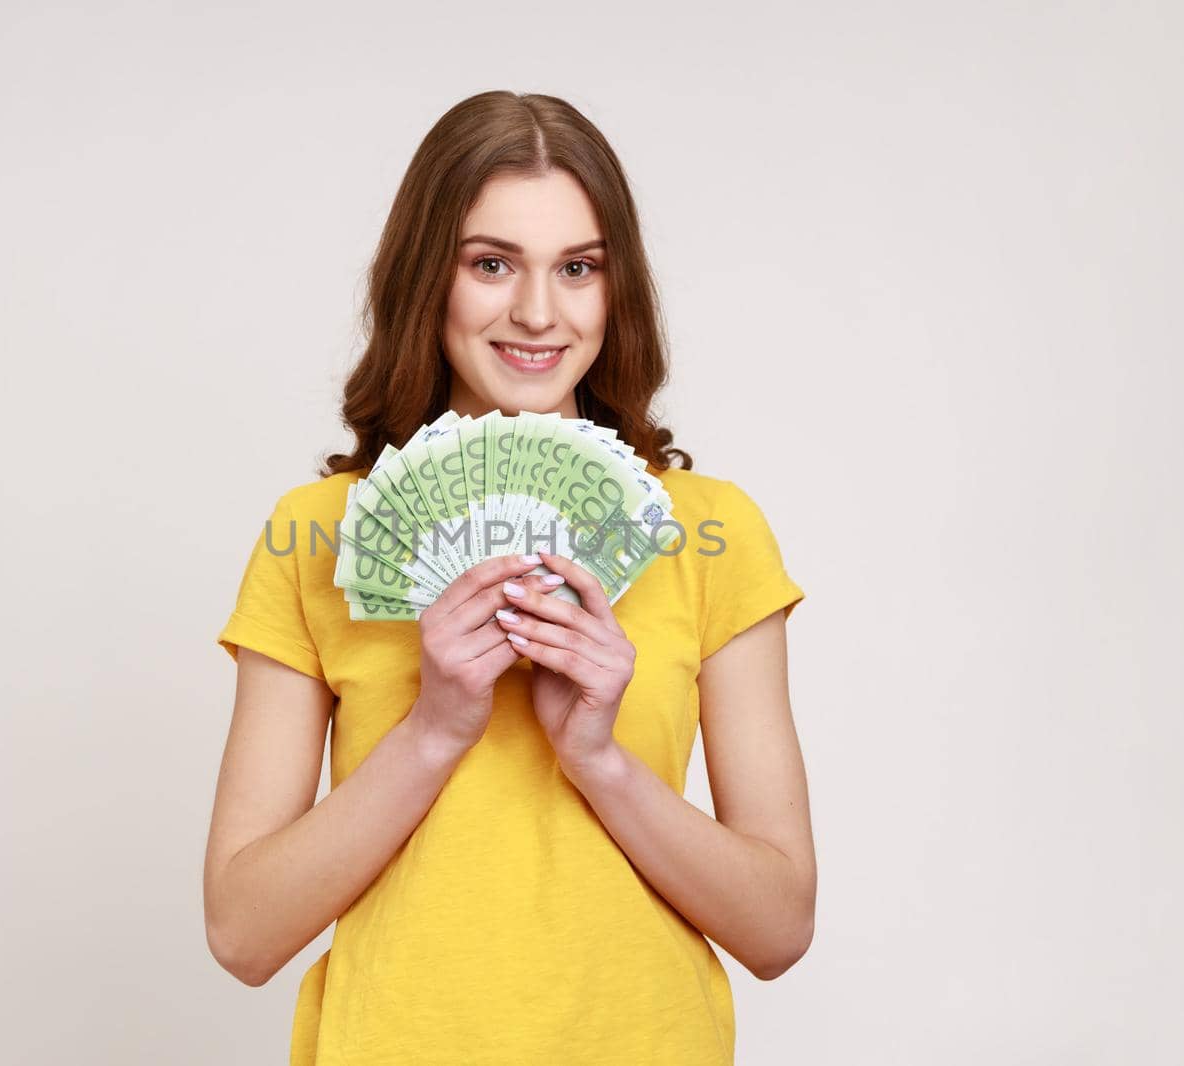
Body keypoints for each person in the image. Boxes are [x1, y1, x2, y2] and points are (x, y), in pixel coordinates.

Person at [203, 90, 816, 1065]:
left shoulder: (711, 531)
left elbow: (779, 928)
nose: (537, 311)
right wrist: (435, 727)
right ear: (424, 280)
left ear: (617, 294)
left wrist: (601, 760)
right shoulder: (312, 535)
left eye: (577, 268)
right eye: (491, 264)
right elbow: (242, 932)